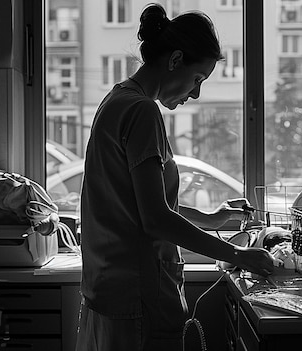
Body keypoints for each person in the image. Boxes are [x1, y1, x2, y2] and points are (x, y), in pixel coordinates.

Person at [76, 4, 275, 351]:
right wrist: (239, 255)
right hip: (137, 299)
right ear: (175, 59)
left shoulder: (116, 100)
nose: (195, 93)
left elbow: (141, 206)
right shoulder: (142, 111)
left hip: (110, 293)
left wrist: (212, 218)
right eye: (197, 79)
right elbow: (156, 219)